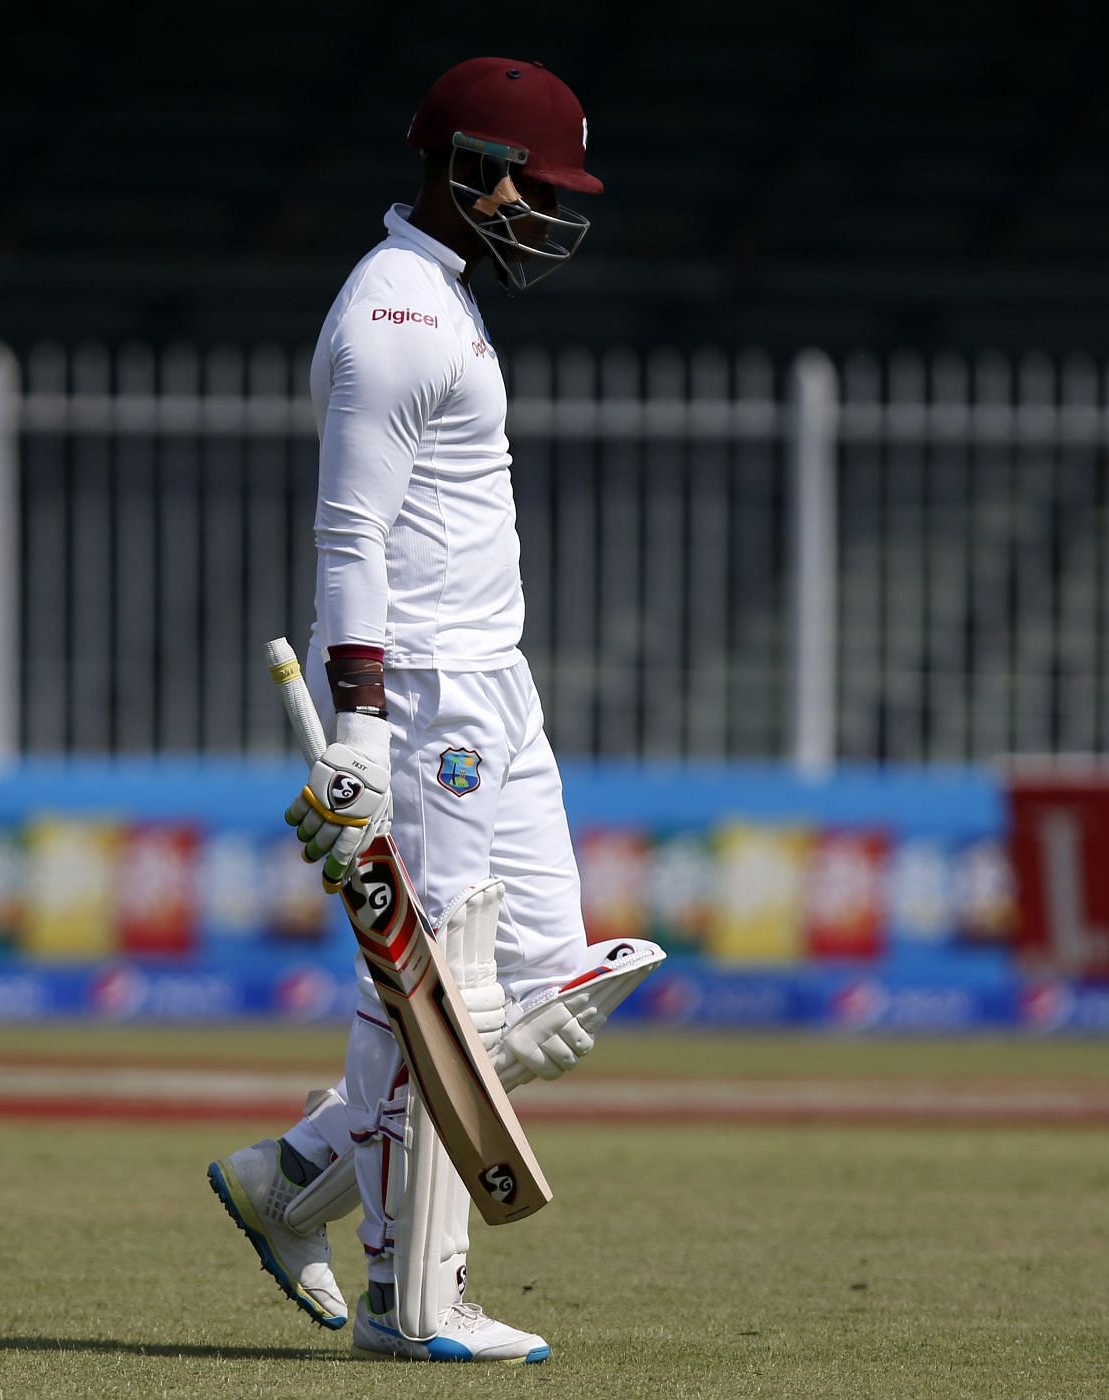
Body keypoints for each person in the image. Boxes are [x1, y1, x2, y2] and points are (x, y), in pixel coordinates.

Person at [206, 56, 661, 1364]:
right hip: (425, 700)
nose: (550, 210)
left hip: (496, 686)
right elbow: (349, 537)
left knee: (548, 999)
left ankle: (289, 1179)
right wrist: (357, 736)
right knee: (440, 1009)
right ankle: (417, 1304)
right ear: (464, 168)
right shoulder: (392, 320)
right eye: (533, 179)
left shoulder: (445, 302)